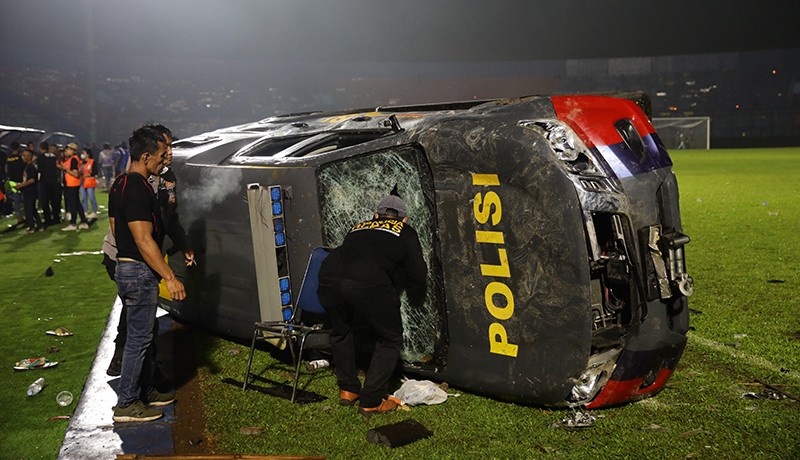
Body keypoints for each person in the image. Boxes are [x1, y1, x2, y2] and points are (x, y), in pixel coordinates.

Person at [317, 194, 427, 415]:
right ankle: (371, 400)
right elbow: (418, 275)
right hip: (367, 282)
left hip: (328, 276)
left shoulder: (358, 227)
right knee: (389, 339)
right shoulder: (405, 231)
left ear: (375, 216)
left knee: (341, 332)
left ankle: (348, 390)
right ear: (404, 219)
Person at [109, 126, 186, 423]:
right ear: (144, 156)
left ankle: (144, 391)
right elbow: (143, 239)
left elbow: (117, 228)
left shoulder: (118, 184)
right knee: (139, 340)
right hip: (138, 271)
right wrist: (169, 275)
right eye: (157, 156)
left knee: (139, 337)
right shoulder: (140, 188)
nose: (161, 161)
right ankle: (127, 403)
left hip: (125, 267)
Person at [58, 142, 89, 230]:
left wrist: (64, 169)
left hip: (72, 184)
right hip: (71, 184)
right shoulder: (70, 159)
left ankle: (73, 223)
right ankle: (83, 221)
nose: (66, 151)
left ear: (73, 151)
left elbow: (75, 174)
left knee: (73, 204)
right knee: (77, 204)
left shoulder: (73, 160)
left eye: (68, 149)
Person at [14, 149, 43, 233]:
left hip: (31, 191)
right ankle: (40, 225)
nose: (23, 157)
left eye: (25, 155)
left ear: (30, 157)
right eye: (22, 155)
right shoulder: (27, 166)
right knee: (33, 209)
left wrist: (21, 185)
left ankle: (32, 227)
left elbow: (32, 180)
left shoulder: (31, 167)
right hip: (28, 191)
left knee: (28, 209)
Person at [37, 141, 61, 225]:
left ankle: (48, 219)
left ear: (40, 148)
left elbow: (40, 170)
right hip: (54, 181)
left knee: (45, 201)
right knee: (54, 201)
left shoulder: (40, 157)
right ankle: (56, 218)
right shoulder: (54, 157)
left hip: (44, 182)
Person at [5, 142, 25, 225]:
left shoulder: (8, 159)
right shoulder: (20, 158)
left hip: (11, 181)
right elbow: (23, 169)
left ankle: (19, 216)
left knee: (15, 200)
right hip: (20, 181)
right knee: (22, 199)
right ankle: (23, 216)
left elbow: (6, 169)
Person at [79, 147, 99, 219]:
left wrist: (87, 175)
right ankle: (85, 210)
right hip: (82, 182)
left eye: (83, 153)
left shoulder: (92, 161)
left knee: (91, 197)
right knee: (83, 198)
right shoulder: (80, 163)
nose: (82, 154)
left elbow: (95, 172)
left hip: (89, 181)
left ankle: (94, 211)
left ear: (88, 154)